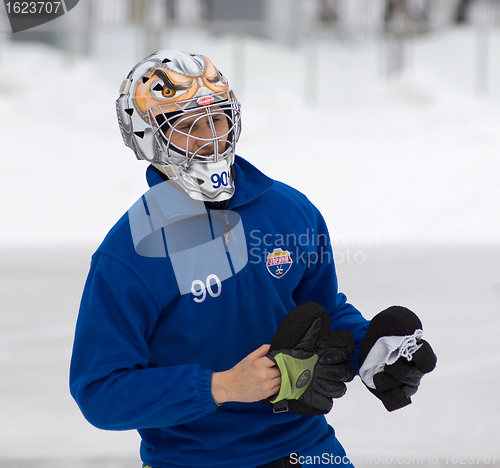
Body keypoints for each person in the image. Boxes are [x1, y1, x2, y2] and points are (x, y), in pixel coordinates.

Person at [70, 50, 436, 468]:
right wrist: (220, 387)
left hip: (310, 451)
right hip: (197, 460)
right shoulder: (128, 253)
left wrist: (371, 348)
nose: (210, 136)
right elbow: (99, 390)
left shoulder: (291, 210)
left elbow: (322, 311)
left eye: (218, 118)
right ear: (148, 136)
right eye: (188, 126)